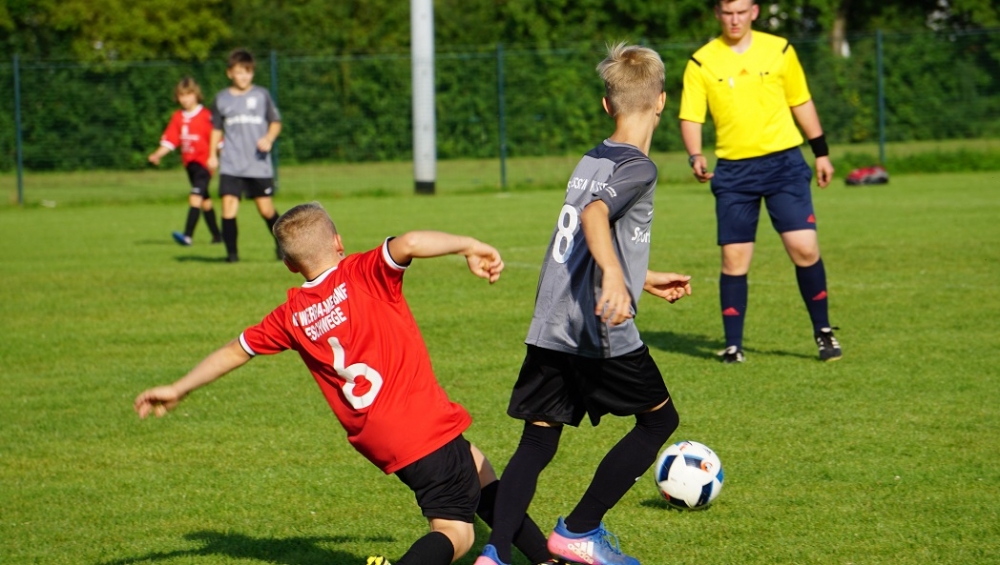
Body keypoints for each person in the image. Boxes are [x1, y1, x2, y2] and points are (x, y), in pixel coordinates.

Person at [134, 202, 556, 565]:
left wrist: (179, 388)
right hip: (420, 424)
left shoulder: (290, 315)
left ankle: (545, 558)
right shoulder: (364, 272)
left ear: (289, 264)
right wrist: (469, 245)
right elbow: (410, 242)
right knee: (456, 534)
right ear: (339, 241)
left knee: (480, 472)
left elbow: (235, 350)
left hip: (378, 436)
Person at [475, 43, 692, 565]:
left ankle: (494, 554)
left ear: (606, 104)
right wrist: (616, 278)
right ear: (662, 101)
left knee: (537, 442)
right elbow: (595, 215)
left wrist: (640, 277)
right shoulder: (640, 168)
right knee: (659, 422)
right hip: (599, 329)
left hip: (552, 319)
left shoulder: (592, 158)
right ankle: (580, 529)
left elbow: (579, 241)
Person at [679, 0, 842, 363]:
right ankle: (733, 345)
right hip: (734, 172)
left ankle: (824, 332)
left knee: (804, 248)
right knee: (734, 258)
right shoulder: (702, 61)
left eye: (741, 11)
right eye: (727, 13)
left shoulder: (779, 49)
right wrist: (695, 154)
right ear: (717, 14)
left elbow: (801, 101)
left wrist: (821, 152)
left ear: (754, 11)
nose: (734, 19)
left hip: (784, 164)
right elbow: (691, 116)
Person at [208, 48, 282, 263]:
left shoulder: (261, 95)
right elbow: (216, 129)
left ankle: (282, 245)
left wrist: (269, 138)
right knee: (228, 207)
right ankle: (232, 256)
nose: (244, 76)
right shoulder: (221, 99)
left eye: (248, 72)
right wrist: (212, 155)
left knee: (266, 209)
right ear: (229, 73)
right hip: (231, 163)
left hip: (257, 164)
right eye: (239, 72)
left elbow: (275, 122)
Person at [147, 77, 222, 247]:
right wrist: (157, 154)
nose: (185, 99)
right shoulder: (177, 117)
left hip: (204, 165)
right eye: (181, 95)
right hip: (190, 166)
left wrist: (218, 157)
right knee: (204, 200)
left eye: (188, 94)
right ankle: (217, 236)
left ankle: (188, 236)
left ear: (196, 95)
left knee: (195, 197)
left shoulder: (206, 116)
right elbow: (170, 141)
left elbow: (217, 140)